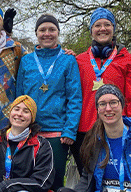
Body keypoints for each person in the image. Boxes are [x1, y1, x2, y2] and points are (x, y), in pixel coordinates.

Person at [74, 8, 131, 143]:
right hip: (85, 131)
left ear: (113, 28)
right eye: (97, 25)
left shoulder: (128, 60)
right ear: (91, 30)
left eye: (107, 24)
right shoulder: (78, 61)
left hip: (118, 130)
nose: (103, 29)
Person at [12, 14, 82, 142]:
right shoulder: (26, 60)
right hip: (29, 130)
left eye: (52, 29)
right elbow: (19, 96)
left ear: (58, 32)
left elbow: (74, 98)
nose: (47, 34)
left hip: (58, 132)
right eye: (42, 30)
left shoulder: (68, 60)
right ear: (36, 33)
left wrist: (70, 130)